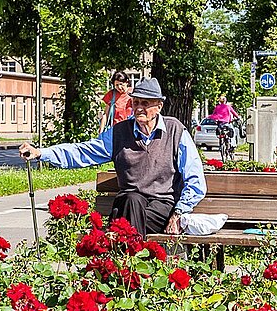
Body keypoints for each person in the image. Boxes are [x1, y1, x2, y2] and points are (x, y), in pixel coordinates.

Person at [21, 77, 204, 236]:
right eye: (136, 102)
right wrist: (41, 153)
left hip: (161, 206)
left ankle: (126, 262)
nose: (139, 108)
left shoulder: (175, 131)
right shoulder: (119, 133)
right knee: (132, 199)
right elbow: (83, 152)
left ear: (159, 106)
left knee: (125, 223)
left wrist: (179, 213)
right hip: (128, 202)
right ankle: (135, 266)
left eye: (145, 103)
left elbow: (195, 179)